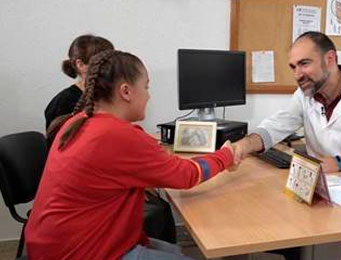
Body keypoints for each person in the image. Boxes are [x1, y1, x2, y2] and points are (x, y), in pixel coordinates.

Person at [26, 50, 235, 260]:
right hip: (81, 252)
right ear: (126, 91)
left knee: (174, 250)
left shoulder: (77, 121)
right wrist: (227, 154)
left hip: (52, 245)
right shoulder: (117, 135)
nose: (149, 95)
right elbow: (187, 175)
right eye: (146, 87)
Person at [233, 31, 341, 260]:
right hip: (319, 191)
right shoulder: (305, 94)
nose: (298, 74)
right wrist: (244, 146)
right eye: (293, 67)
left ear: (330, 59)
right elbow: (277, 126)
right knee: (259, 218)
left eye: (304, 63)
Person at [44, 35, 177, 244]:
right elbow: (184, 175)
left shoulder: (83, 118)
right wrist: (236, 150)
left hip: (65, 230)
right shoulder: (69, 110)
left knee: (162, 214)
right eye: (147, 87)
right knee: (158, 209)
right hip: (82, 232)